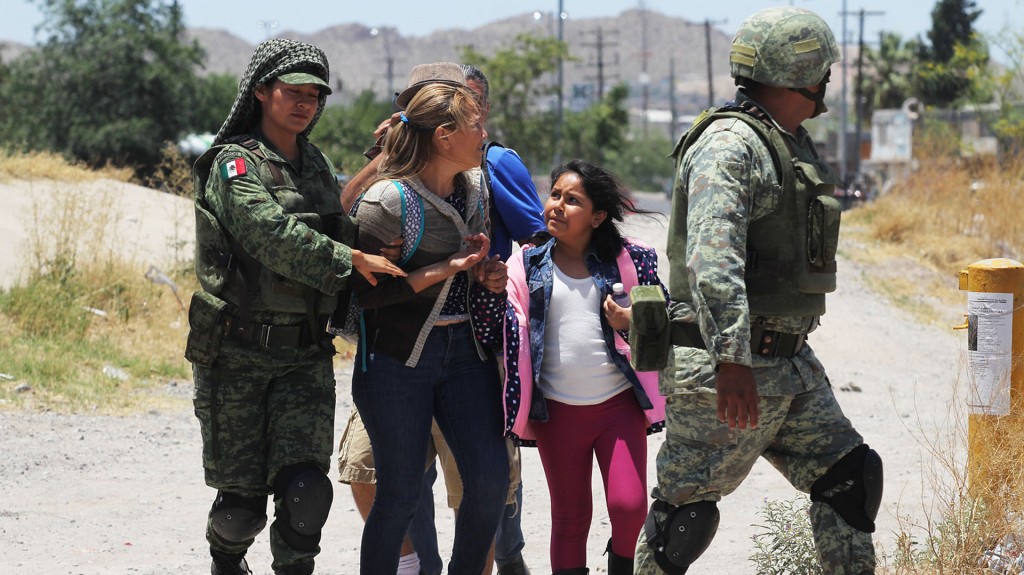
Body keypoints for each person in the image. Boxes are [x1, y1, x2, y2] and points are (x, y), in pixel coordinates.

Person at [633, 7, 882, 574]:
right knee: (682, 521)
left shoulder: (788, 142)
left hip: (788, 367)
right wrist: (731, 361)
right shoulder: (730, 146)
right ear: (806, 72)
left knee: (850, 475)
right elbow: (711, 262)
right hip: (729, 367)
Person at [185, 39, 405, 575]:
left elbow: (343, 220)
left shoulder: (314, 164)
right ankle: (225, 563)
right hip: (236, 355)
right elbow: (269, 233)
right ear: (262, 92)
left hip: (304, 354)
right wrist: (349, 258)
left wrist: (387, 167)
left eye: (314, 95)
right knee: (239, 511)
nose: (304, 103)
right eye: (292, 91)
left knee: (307, 494)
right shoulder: (233, 164)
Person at [337, 61, 543, 575]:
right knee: (399, 494)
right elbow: (362, 297)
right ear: (446, 136)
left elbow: (483, 264)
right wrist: (444, 267)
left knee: (492, 482)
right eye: (475, 124)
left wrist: (485, 272)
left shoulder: (475, 187)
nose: (486, 133)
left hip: (465, 355)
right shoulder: (387, 201)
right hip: (396, 363)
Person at [494, 160, 667, 575]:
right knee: (571, 520)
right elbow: (502, 329)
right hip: (557, 412)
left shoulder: (633, 260)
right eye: (555, 195)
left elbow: (664, 319)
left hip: (618, 407)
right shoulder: (525, 265)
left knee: (629, 507)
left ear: (598, 216)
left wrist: (632, 320)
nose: (557, 205)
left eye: (573, 200)